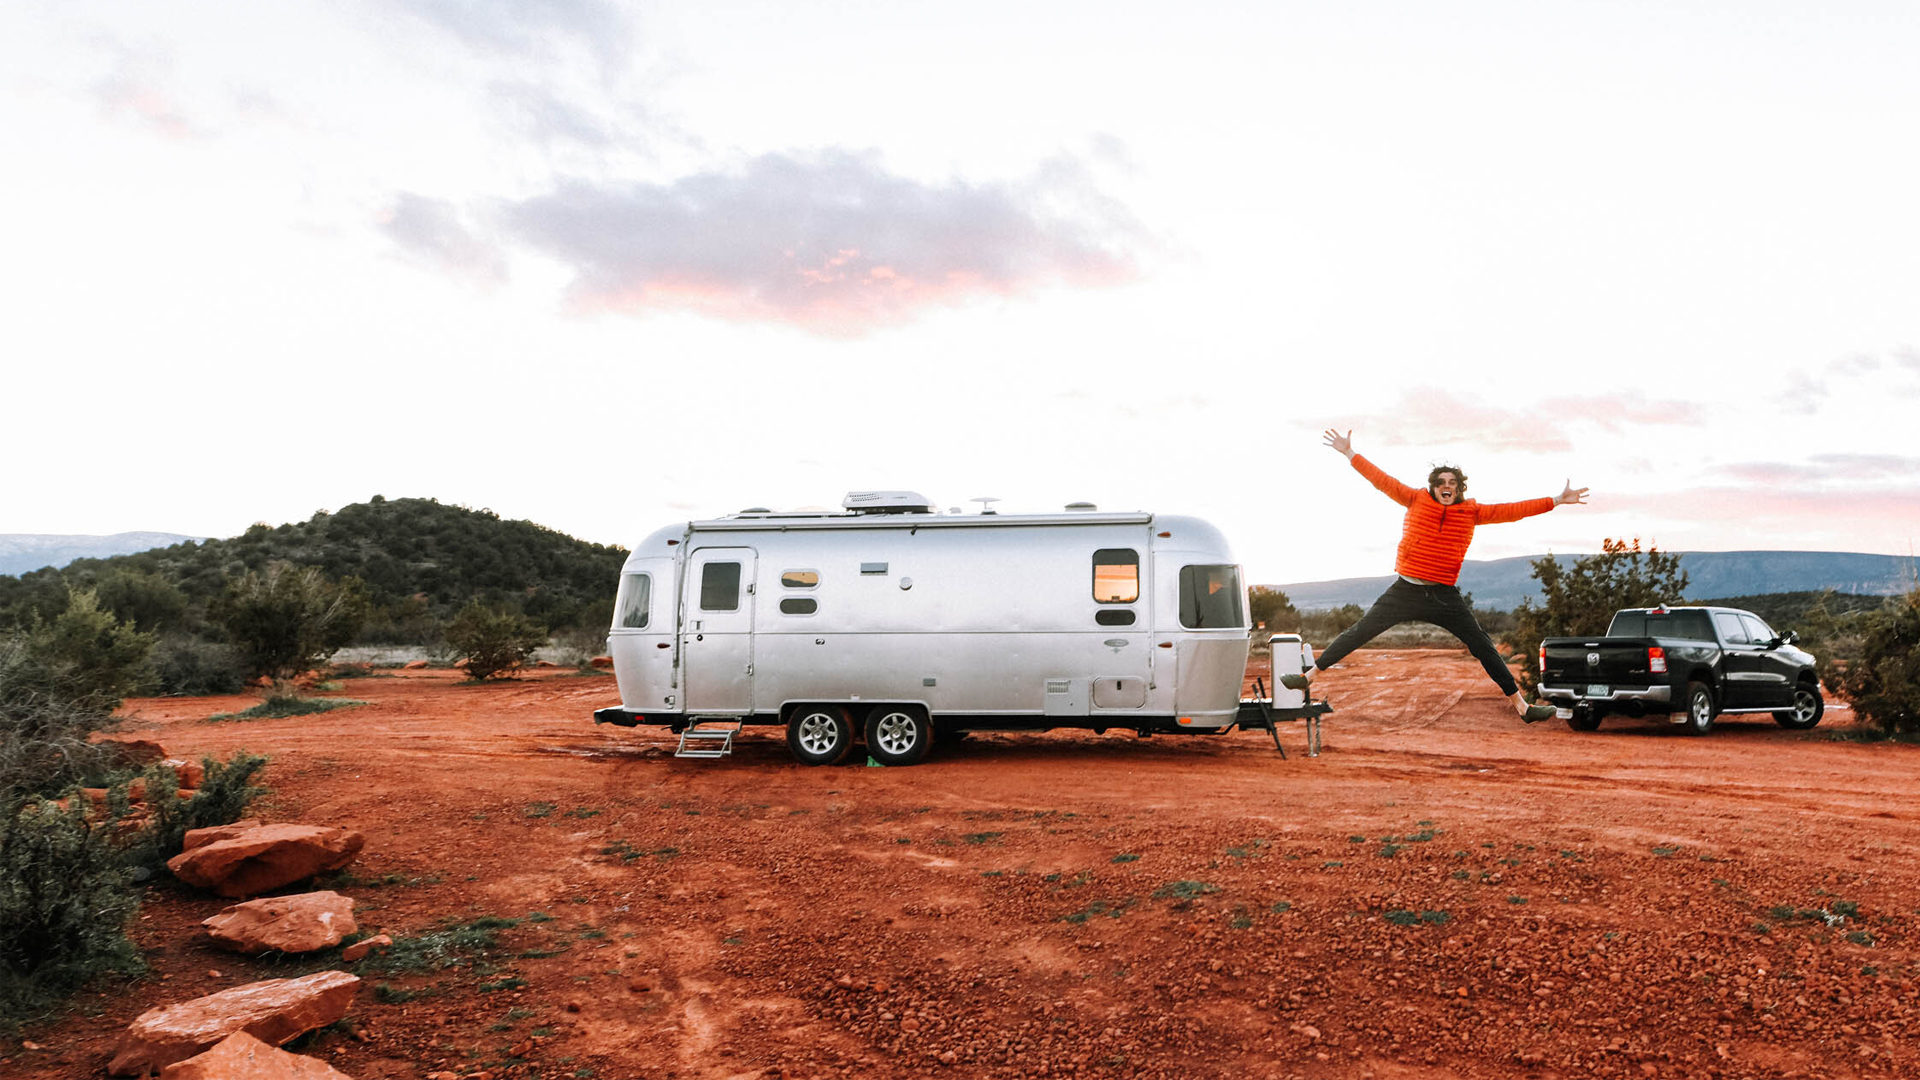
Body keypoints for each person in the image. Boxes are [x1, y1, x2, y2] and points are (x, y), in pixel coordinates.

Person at [1281, 429, 1588, 724]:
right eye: (1441, 481)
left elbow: (1514, 510)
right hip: (1406, 590)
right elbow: (1381, 481)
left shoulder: (1471, 512)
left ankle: (1523, 709)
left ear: (1459, 488)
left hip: (1444, 595)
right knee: (1360, 631)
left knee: (1482, 645)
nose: (1446, 485)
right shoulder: (1415, 499)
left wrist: (1556, 500)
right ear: (1433, 486)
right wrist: (1349, 452)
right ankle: (1307, 678)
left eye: (1452, 482)